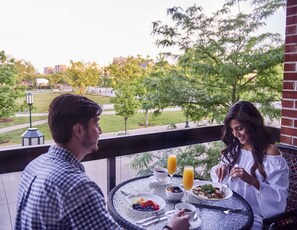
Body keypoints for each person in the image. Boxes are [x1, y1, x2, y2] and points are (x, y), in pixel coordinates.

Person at [15, 93, 190, 230]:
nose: (100, 130)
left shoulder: (35, 165)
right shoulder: (77, 187)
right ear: (79, 130)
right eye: (96, 124)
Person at [210, 101, 289, 229]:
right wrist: (222, 167)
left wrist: (252, 181)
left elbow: (279, 199)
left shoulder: (271, 154)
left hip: (255, 216)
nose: (235, 134)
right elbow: (224, 183)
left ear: (253, 125)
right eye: (232, 129)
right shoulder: (235, 149)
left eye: (239, 128)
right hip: (230, 210)